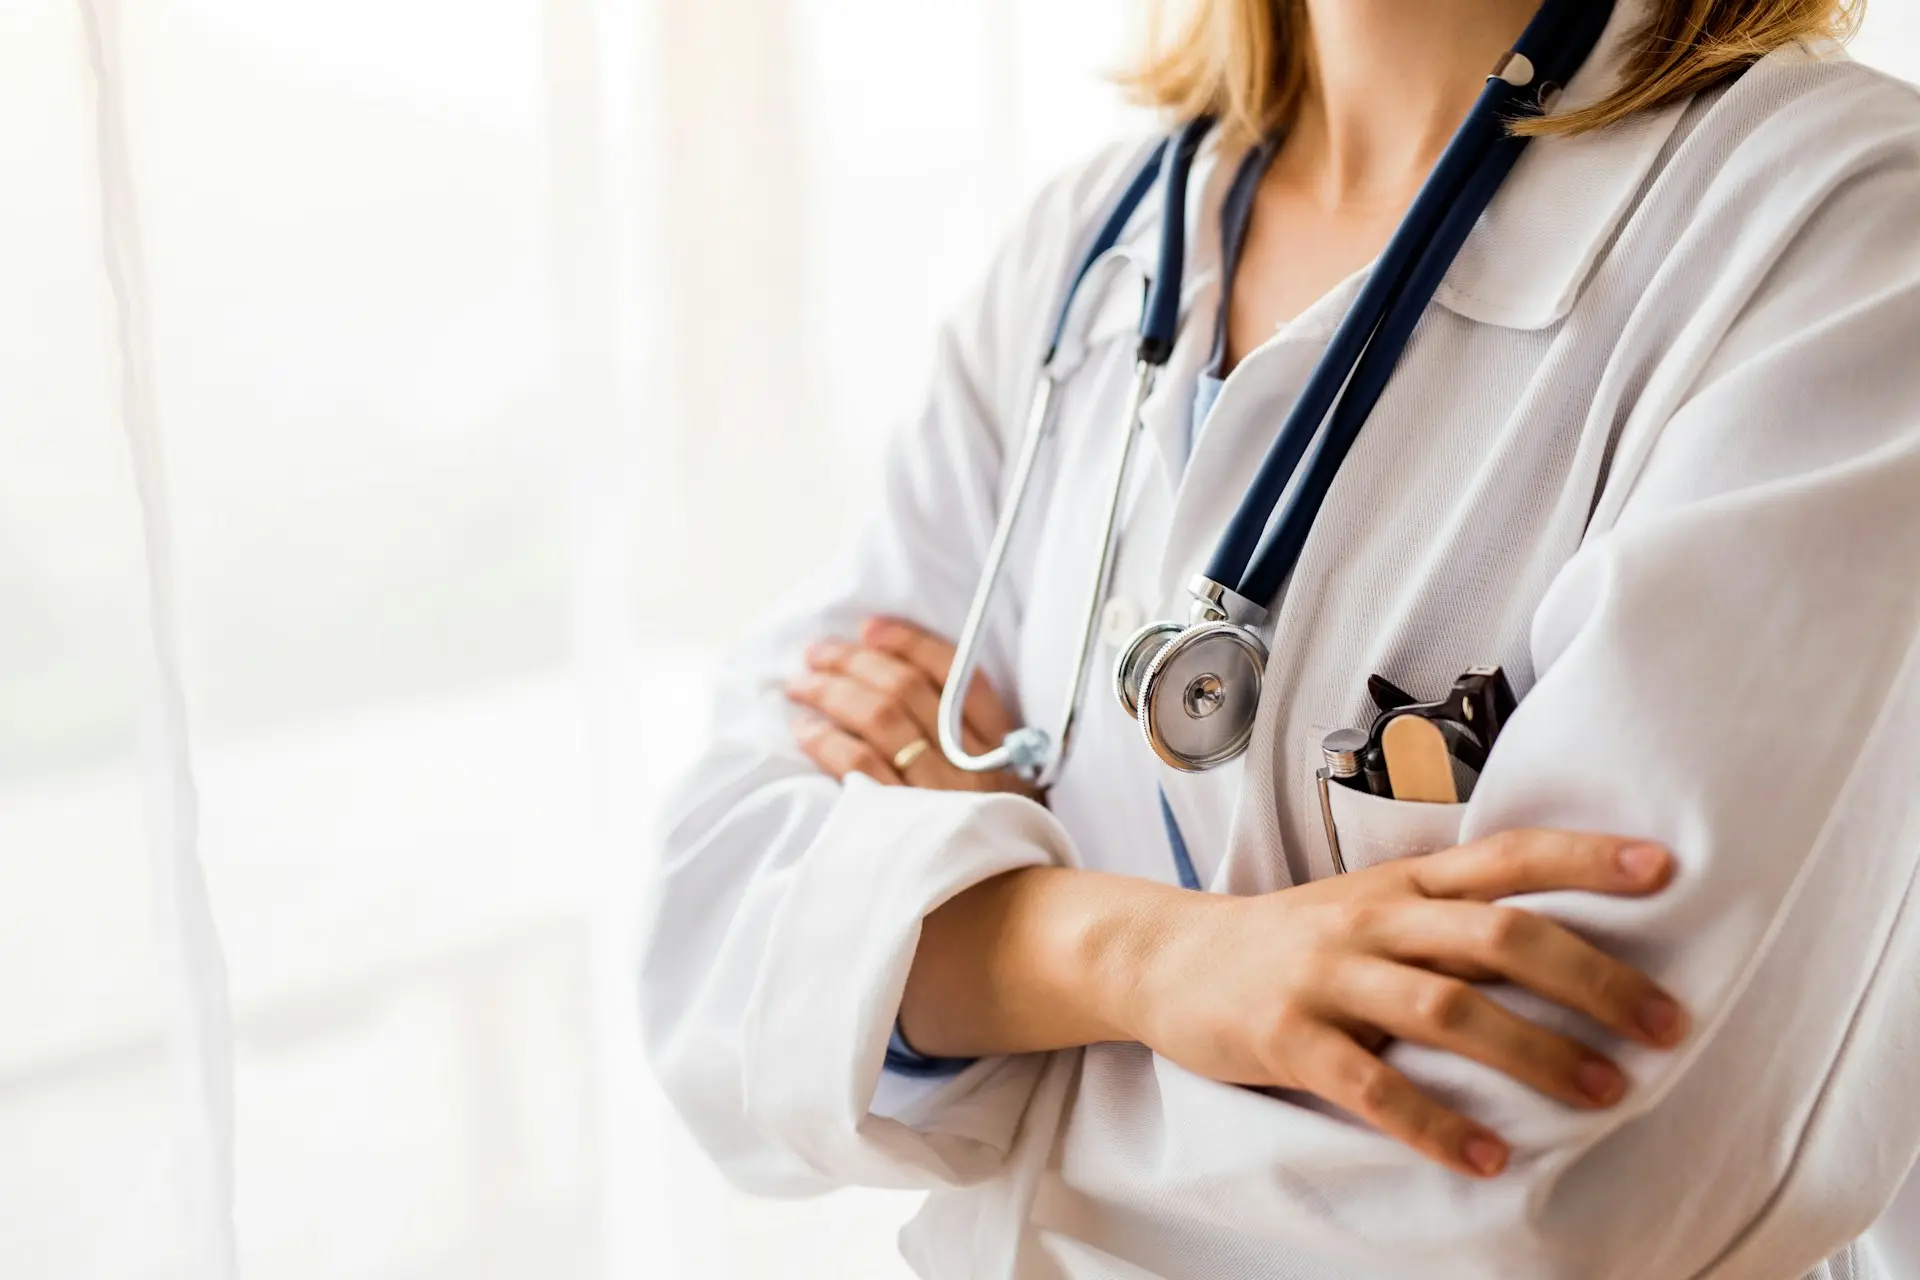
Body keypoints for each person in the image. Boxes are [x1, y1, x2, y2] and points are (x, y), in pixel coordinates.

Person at [639, 0, 1920, 1275]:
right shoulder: (1089, 250)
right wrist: (1136, 959)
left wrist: (950, 971)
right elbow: (716, 958)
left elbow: (1560, 1194)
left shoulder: (1837, 224)